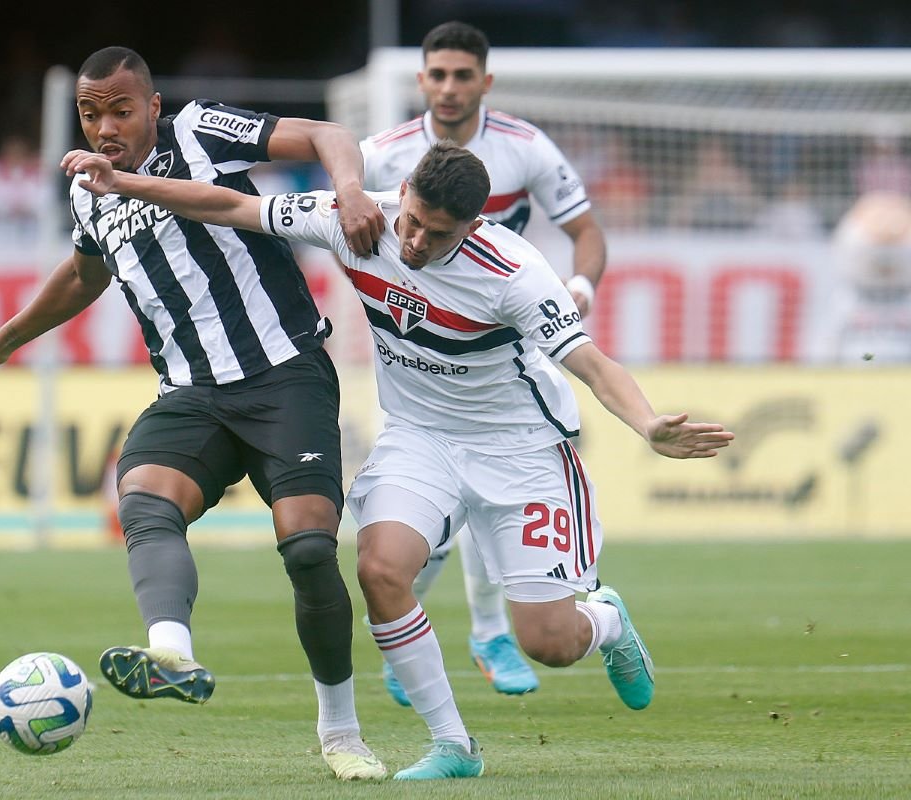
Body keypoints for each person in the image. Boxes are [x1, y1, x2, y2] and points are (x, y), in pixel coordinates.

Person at [62, 140, 735, 780]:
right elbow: (230, 205)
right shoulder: (358, 218)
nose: (414, 243)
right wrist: (124, 184)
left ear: (475, 225)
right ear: (403, 192)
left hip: (520, 450)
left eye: (438, 235)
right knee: (380, 569)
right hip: (420, 436)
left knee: (548, 643)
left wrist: (648, 424)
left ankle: (608, 621)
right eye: (412, 222)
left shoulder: (516, 275)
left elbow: (591, 361)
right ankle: (453, 744)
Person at [0, 46, 388, 782]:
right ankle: (170, 652)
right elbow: (85, 275)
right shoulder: (91, 191)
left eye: (120, 109)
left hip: (285, 375)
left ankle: (341, 733)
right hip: (191, 392)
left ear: (152, 107)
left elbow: (326, 136)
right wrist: (2, 342)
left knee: (310, 551)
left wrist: (348, 189)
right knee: (144, 499)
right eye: (91, 114)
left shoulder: (202, 131)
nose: (105, 126)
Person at [358, 20, 610, 702]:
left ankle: (493, 630)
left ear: (485, 83)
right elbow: (343, 216)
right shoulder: (383, 154)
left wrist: (578, 287)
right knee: (432, 500)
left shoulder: (524, 148)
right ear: (420, 82)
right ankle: (438, 630)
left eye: (462, 75)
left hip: (507, 330)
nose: (448, 88)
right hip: (420, 337)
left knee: (487, 476)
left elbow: (585, 229)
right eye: (436, 75)